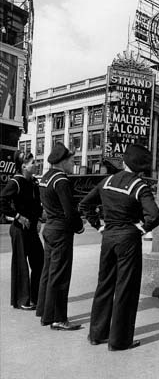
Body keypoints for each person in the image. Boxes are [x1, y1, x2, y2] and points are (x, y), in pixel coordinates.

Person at [79, 144, 159, 351]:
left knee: (104, 284)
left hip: (108, 237)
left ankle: (96, 333)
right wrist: (141, 229)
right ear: (140, 167)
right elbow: (155, 215)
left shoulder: (106, 181)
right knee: (126, 288)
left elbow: (85, 205)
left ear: (125, 162)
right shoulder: (140, 186)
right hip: (128, 239)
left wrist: (98, 226)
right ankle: (119, 340)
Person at [36, 142, 85, 331]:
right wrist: (79, 227)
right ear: (63, 161)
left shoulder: (45, 178)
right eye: (72, 160)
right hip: (61, 231)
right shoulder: (61, 180)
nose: (73, 163)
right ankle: (57, 318)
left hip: (49, 229)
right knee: (61, 275)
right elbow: (69, 211)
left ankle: (44, 310)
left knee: (48, 272)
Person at [0, 151, 44, 310]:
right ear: (24, 166)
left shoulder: (33, 182)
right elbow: (2, 201)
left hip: (31, 228)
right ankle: (22, 300)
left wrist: (38, 219)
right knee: (21, 265)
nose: (36, 164)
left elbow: (37, 203)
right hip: (19, 229)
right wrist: (17, 216)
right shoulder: (15, 182)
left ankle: (35, 297)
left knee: (39, 261)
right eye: (33, 162)